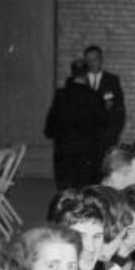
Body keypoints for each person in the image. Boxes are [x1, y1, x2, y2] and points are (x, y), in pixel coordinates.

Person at [44, 60, 106, 189]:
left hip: (65, 147)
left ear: (72, 73)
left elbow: (52, 121)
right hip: (87, 149)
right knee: (85, 184)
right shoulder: (94, 96)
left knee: (65, 183)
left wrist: (51, 133)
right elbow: (102, 123)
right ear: (86, 74)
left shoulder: (61, 95)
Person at [84, 43, 126, 153]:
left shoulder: (112, 80)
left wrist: (113, 134)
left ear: (101, 60)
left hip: (106, 137)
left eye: (95, 59)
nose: (92, 63)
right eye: (89, 60)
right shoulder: (80, 80)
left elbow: (119, 109)